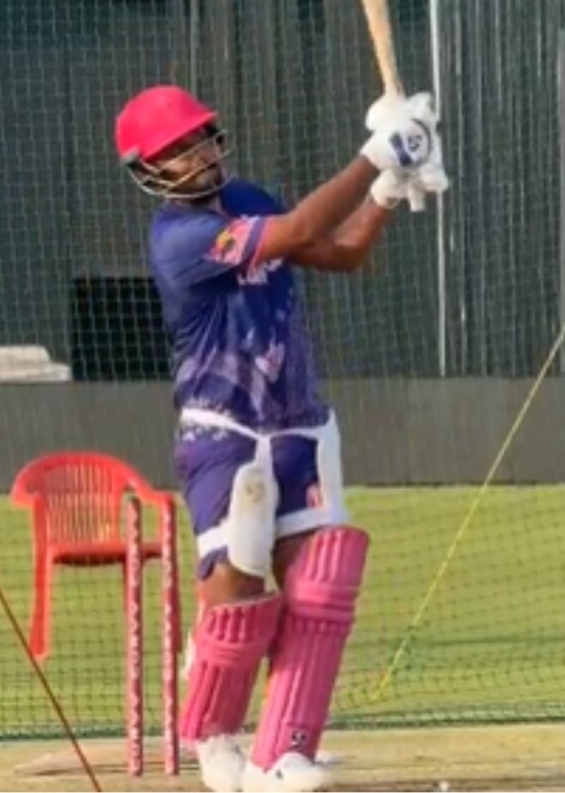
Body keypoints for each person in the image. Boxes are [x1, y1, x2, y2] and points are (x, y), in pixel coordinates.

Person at [113, 86, 448, 792]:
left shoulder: (248, 198)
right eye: (176, 150)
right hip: (223, 429)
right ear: (148, 169)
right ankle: (214, 734)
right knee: (237, 590)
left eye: (199, 138)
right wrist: (378, 152)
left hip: (299, 419)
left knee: (321, 590)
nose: (196, 155)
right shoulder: (177, 239)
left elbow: (343, 252)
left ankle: (285, 753)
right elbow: (296, 230)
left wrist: (389, 189)